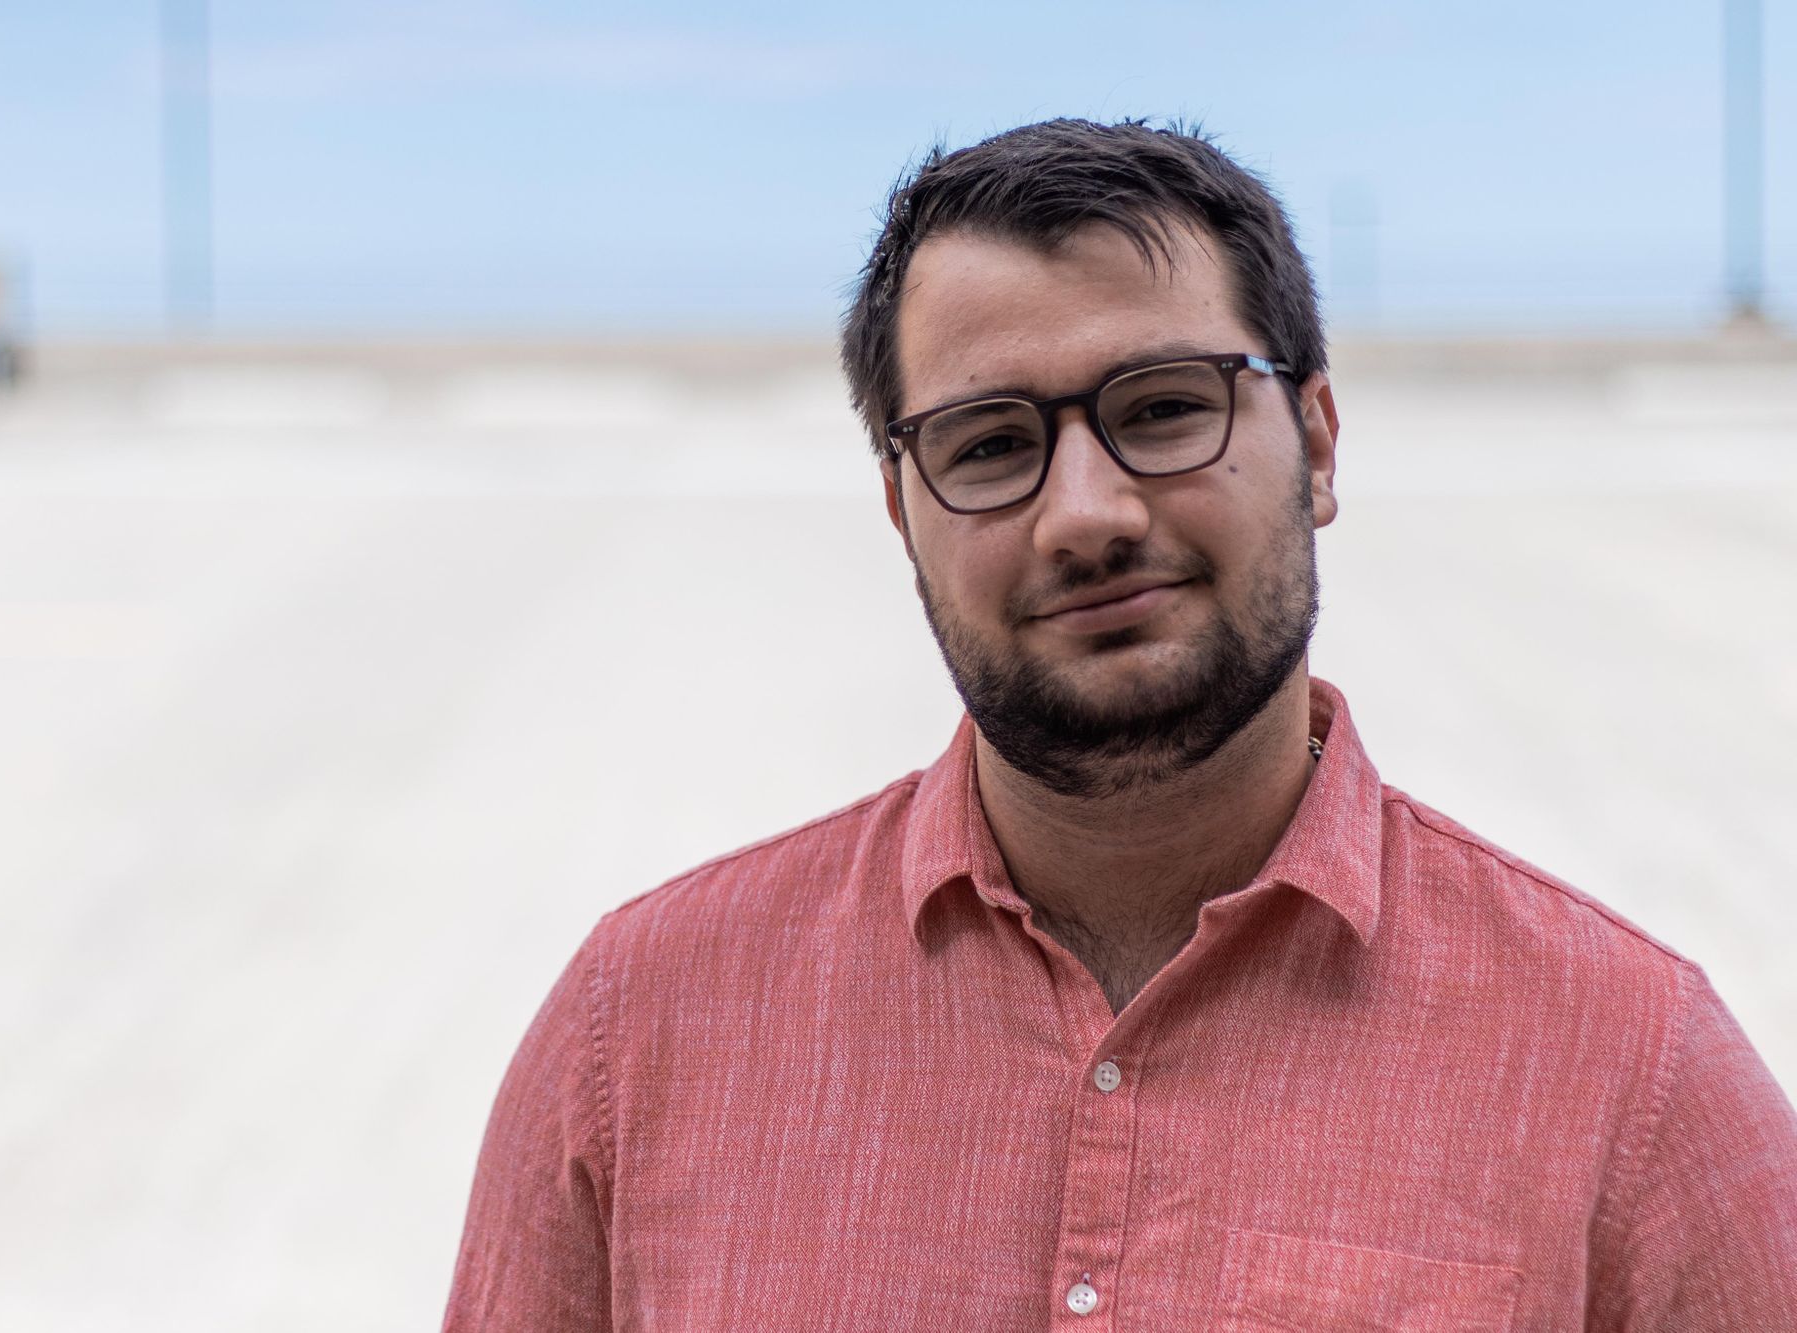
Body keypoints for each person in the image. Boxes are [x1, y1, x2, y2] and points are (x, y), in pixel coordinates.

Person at [442, 118, 1797, 1330]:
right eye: (988, 444)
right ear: (901, 510)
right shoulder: (644, 1032)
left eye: (1164, 410)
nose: (1086, 512)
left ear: (1318, 442)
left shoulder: (1632, 1071)